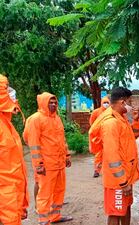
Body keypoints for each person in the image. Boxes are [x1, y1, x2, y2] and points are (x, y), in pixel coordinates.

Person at [88, 87, 139, 225]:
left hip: (125, 176)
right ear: (123, 102)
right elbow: (112, 157)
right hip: (118, 181)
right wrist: (123, 183)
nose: (132, 105)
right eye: (130, 101)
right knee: (116, 213)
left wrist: (136, 121)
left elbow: (133, 137)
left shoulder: (121, 119)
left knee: (125, 208)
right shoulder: (111, 123)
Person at [24, 92, 73, 224]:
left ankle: (55, 217)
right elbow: (33, 144)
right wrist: (38, 164)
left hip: (59, 163)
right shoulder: (35, 119)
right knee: (45, 194)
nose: (53, 105)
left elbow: (62, 139)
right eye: (50, 102)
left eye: (55, 102)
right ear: (43, 103)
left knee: (59, 191)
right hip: (47, 165)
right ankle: (44, 220)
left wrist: (67, 155)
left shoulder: (57, 118)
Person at [0, 74, 29, 225]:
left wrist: (22, 203)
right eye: (6, 88)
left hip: (12, 198)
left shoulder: (6, 125)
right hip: (5, 200)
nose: (11, 92)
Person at [89, 96, 110, 178]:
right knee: (98, 154)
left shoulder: (111, 112)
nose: (106, 104)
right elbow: (92, 123)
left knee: (109, 153)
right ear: (101, 103)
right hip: (98, 137)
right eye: (104, 103)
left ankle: (107, 170)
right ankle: (97, 170)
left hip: (108, 136)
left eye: (107, 103)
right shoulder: (96, 112)